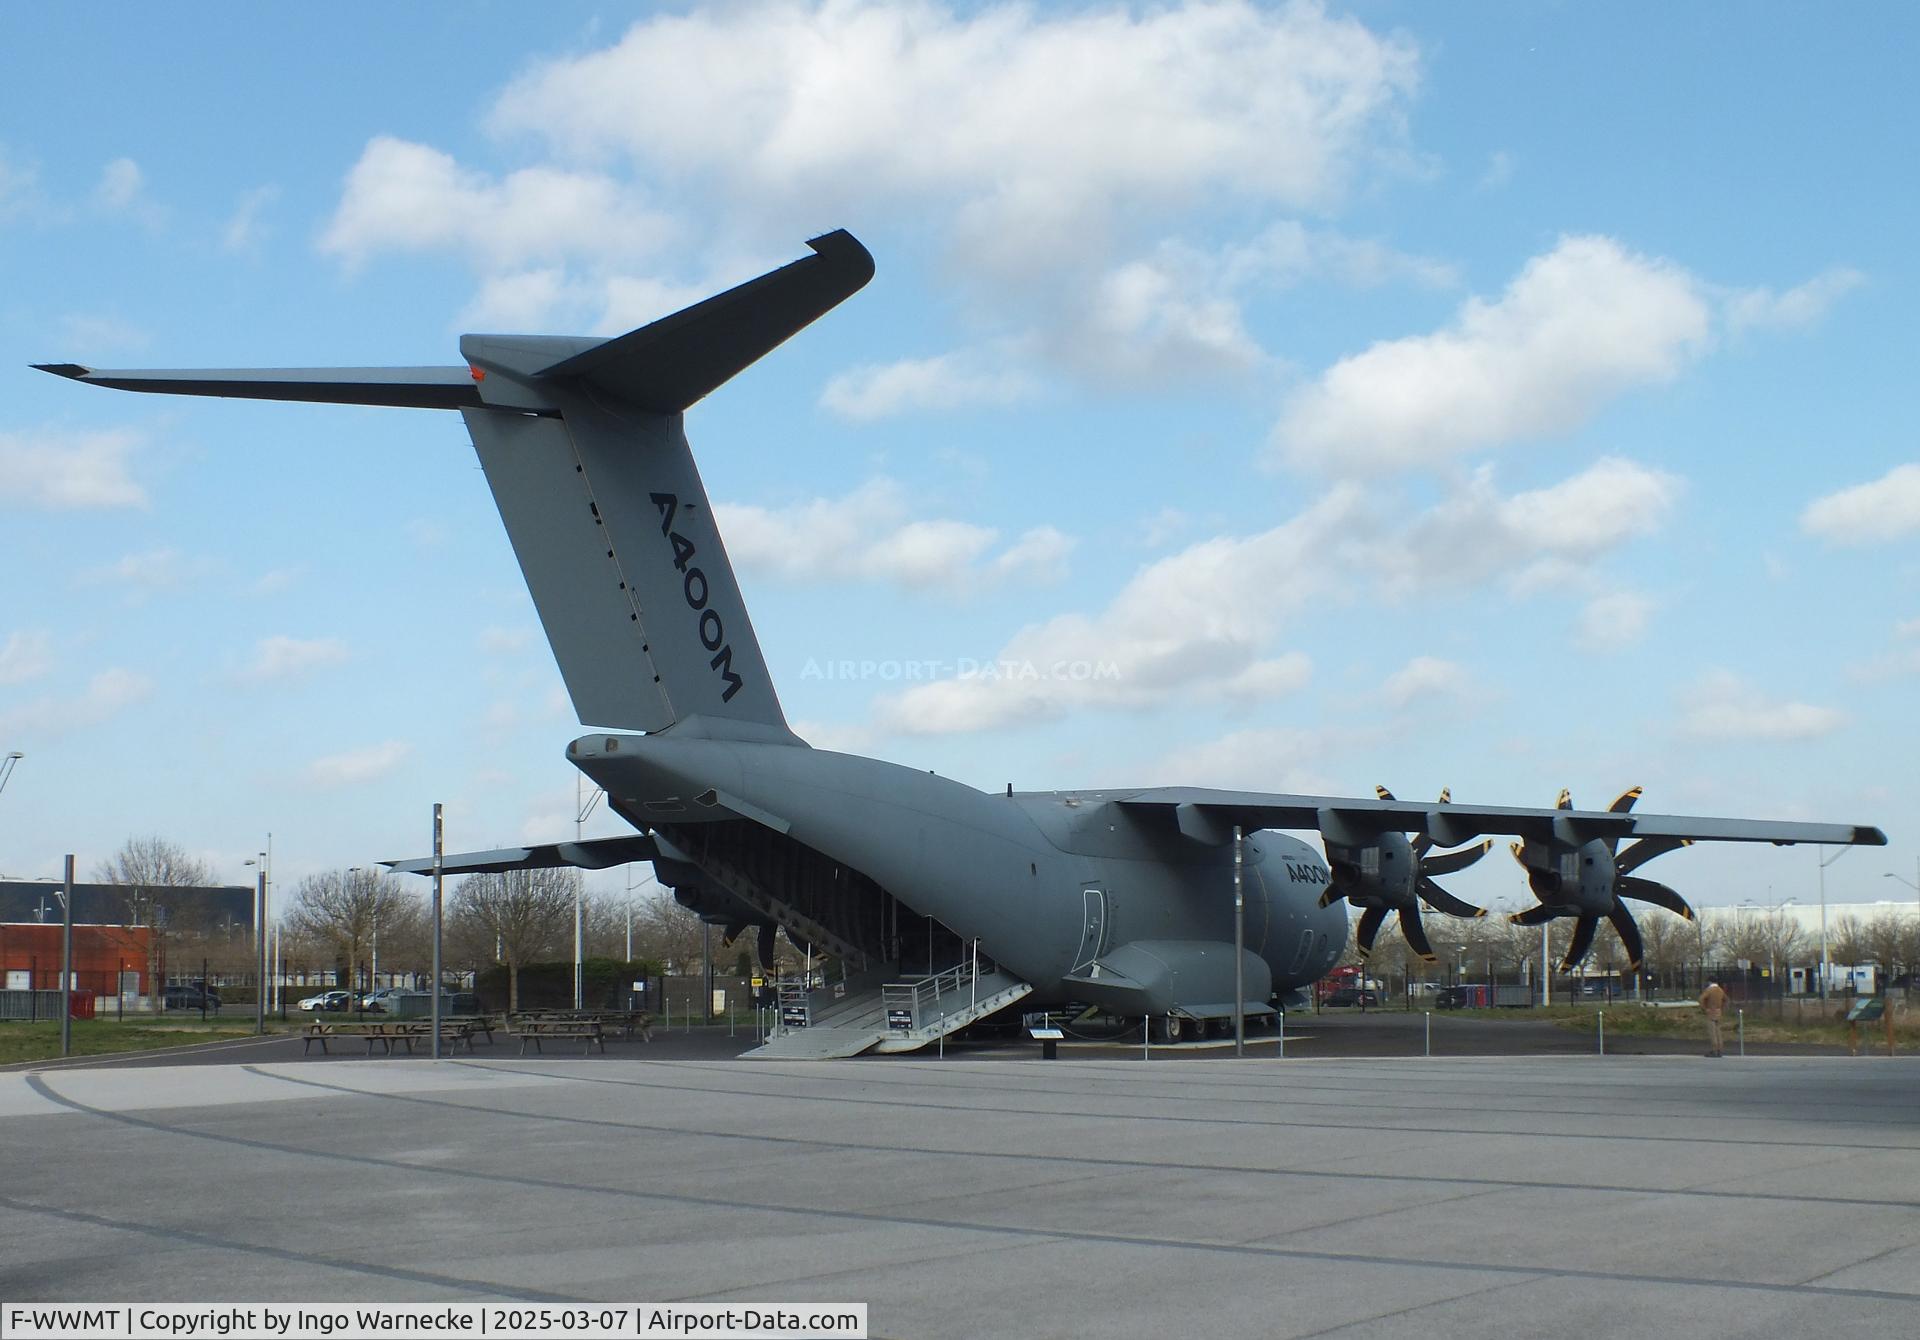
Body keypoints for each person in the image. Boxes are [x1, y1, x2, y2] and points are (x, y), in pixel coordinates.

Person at [1698, 980, 1729, 1057]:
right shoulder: (1720, 990)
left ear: (1709, 982)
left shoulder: (1709, 990)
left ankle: (1714, 1050)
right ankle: (1720, 1050)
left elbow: (1701, 999)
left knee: (1712, 1032)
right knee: (1718, 1032)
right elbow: (1726, 1000)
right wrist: (1722, 1008)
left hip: (1711, 1012)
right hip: (1718, 1012)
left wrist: (1705, 1009)